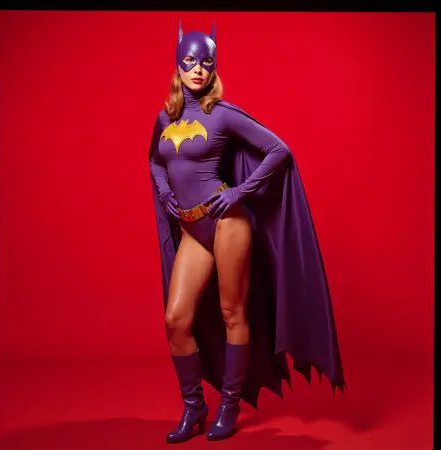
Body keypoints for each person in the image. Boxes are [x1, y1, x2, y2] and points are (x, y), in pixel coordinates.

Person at [148, 21, 346, 444]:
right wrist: (164, 191)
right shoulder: (166, 117)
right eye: (189, 61)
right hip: (192, 228)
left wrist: (241, 191)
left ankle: (229, 405)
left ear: (214, 67)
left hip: (227, 223)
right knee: (176, 319)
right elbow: (155, 160)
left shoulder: (222, 114)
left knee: (232, 313)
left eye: (206, 63)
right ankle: (194, 407)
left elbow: (279, 150)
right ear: (178, 65)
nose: (197, 70)